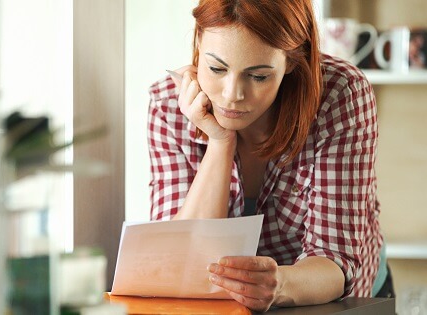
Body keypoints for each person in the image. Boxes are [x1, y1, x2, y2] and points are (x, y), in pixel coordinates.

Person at [146, 0, 393, 311]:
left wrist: (279, 285)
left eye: (258, 76)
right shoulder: (168, 105)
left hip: (335, 296)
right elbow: (178, 262)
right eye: (217, 68)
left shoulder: (340, 94)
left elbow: (335, 259)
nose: (232, 95)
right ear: (198, 41)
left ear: (291, 60)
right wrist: (220, 142)